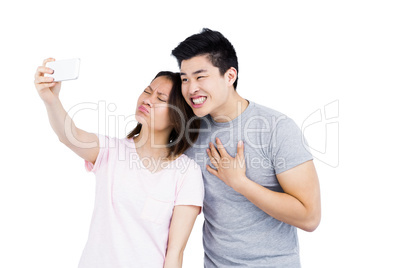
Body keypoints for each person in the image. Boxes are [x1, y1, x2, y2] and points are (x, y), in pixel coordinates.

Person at [34, 58, 204, 268]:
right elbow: (69, 135)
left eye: (160, 98)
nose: (148, 100)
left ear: (177, 116)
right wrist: (51, 100)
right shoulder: (111, 151)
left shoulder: (186, 172)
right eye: (147, 91)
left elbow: (175, 253)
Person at [171, 28, 321, 267]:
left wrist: (240, 183)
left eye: (200, 77)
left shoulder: (276, 128)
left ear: (230, 76)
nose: (191, 89)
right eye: (185, 79)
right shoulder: (189, 132)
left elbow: (309, 217)